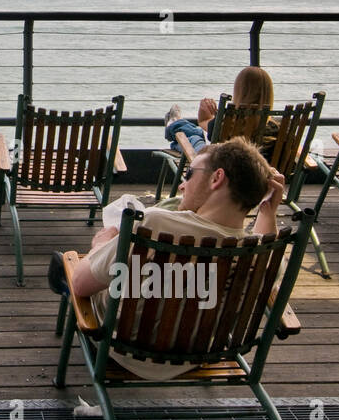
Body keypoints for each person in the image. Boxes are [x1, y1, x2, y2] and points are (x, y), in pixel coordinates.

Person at [53, 137, 285, 380]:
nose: (183, 186)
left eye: (189, 174)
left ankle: (64, 270)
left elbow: (80, 284)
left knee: (73, 268)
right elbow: (266, 237)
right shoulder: (265, 254)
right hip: (199, 354)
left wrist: (100, 244)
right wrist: (268, 209)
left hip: (129, 351)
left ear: (216, 178)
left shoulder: (154, 223)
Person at [162, 66, 278, 157]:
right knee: (197, 136)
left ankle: (174, 124)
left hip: (223, 177)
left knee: (194, 139)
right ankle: (176, 123)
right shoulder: (278, 130)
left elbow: (206, 124)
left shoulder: (227, 124)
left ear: (239, 91)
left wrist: (206, 118)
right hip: (261, 180)